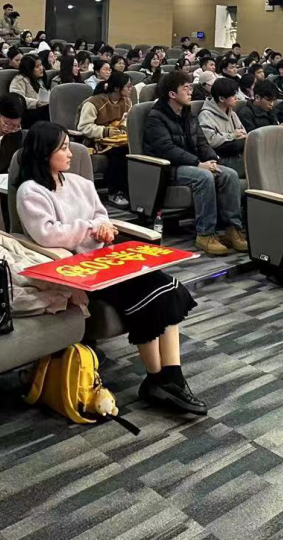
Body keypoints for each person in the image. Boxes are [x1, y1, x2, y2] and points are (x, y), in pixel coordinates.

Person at [16, 122, 204, 415]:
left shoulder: (79, 183)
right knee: (151, 295)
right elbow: (48, 234)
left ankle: (168, 378)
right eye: (63, 148)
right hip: (78, 271)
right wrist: (91, 228)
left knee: (169, 287)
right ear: (44, 153)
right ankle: (160, 380)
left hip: (106, 259)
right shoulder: (31, 191)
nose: (70, 153)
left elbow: (102, 215)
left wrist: (103, 227)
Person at [142, 70, 245, 257]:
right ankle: (205, 234)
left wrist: (213, 160)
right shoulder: (156, 117)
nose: (191, 92)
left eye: (191, 87)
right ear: (172, 94)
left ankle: (232, 229)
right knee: (204, 176)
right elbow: (167, 149)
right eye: (186, 88)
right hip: (168, 168)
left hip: (191, 163)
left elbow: (201, 142)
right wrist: (198, 163)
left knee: (228, 174)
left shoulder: (188, 113)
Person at [77, 71, 133, 205]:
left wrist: (123, 128)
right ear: (117, 88)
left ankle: (130, 191)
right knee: (119, 153)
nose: (131, 89)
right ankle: (115, 192)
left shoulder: (127, 101)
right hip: (95, 141)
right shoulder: (93, 102)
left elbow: (126, 120)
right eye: (128, 86)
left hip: (118, 139)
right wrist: (104, 131)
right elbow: (83, 127)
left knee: (132, 150)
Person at [198, 76, 248, 178]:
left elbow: (243, 133)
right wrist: (232, 135)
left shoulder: (232, 113)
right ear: (221, 98)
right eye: (233, 95)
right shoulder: (206, 115)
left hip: (236, 154)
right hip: (221, 158)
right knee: (256, 164)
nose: (236, 98)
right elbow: (210, 140)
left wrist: (238, 136)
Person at [10, 54, 49, 125]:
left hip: (39, 110)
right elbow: (17, 99)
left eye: (41, 65)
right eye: (37, 66)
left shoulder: (38, 80)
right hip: (26, 113)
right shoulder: (19, 79)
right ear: (29, 68)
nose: (41, 68)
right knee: (48, 109)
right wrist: (36, 103)